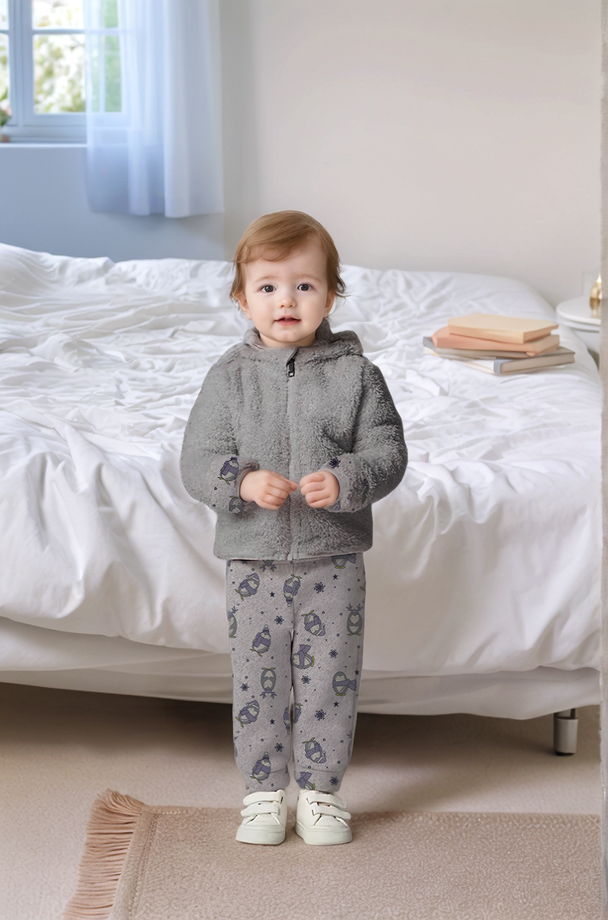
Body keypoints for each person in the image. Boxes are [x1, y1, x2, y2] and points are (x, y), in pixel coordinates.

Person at [180, 210, 407, 846]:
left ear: (330, 296)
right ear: (242, 298)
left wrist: (346, 477)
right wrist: (242, 481)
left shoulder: (358, 376)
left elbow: (388, 452)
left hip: (334, 561)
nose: (286, 300)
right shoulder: (228, 378)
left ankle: (320, 793)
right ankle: (261, 792)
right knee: (258, 680)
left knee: (331, 679)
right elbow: (196, 459)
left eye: (304, 286)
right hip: (253, 562)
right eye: (268, 287)